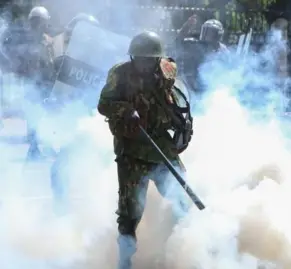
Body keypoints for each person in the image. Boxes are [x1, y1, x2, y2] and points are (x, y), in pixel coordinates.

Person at [97, 31, 193, 269]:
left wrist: (184, 125)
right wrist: (126, 110)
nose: (143, 63)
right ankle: (124, 261)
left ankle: (184, 251)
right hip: (131, 151)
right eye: (139, 58)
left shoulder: (167, 71)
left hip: (161, 147)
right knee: (129, 214)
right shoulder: (119, 74)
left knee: (182, 199)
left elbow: (180, 100)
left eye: (148, 59)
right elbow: (103, 105)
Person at [48, 13, 100, 215]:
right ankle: (62, 213)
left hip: (97, 125)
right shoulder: (62, 62)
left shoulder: (105, 63)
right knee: (59, 171)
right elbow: (55, 90)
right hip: (73, 122)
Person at [16, 6, 55, 160]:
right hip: (32, 84)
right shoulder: (26, 40)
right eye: (37, 22)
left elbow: (52, 62)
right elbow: (22, 64)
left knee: (47, 114)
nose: (40, 25)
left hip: (46, 83)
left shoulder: (48, 40)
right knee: (33, 116)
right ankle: (33, 148)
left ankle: (45, 145)